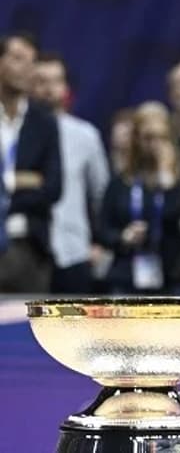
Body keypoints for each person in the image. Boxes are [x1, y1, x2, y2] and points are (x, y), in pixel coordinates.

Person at [31, 53, 110, 294]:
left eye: (55, 81)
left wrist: (101, 243)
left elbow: (101, 194)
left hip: (74, 250)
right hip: (27, 251)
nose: (48, 89)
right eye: (41, 81)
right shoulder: (15, 133)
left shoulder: (85, 135)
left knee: (73, 329)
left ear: (66, 87)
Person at [98, 102, 180, 294]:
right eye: (148, 138)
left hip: (171, 275)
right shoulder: (122, 182)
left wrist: (166, 175)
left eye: (161, 138)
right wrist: (123, 236)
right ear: (136, 139)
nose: (155, 145)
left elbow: (179, 216)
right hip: (127, 273)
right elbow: (102, 229)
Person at [0, 33, 62, 293]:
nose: (27, 67)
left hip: (28, 248)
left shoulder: (44, 121)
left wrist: (4, 188)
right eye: (17, 59)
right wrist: (17, 180)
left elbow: (53, 188)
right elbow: (36, 183)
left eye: (31, 61)